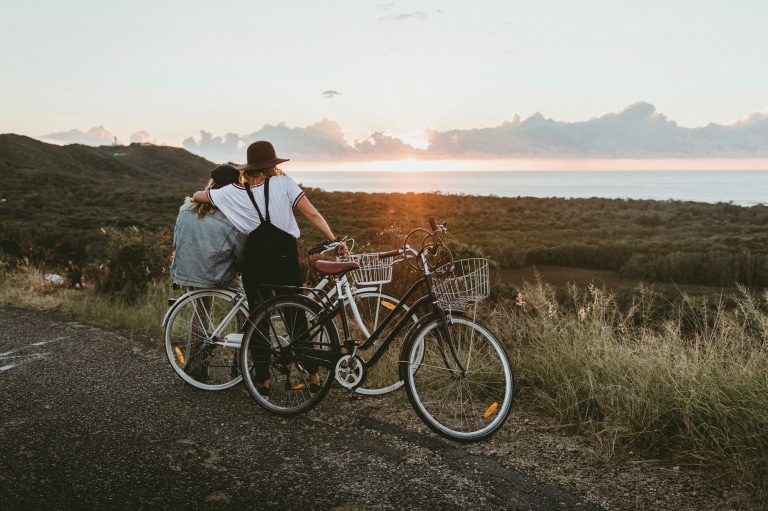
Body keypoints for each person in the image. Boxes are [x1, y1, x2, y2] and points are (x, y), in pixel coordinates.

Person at [191, 141, 345, 394]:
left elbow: (198, 197)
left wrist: (218, 197)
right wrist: (332, 239)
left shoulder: (233, 191)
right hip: (283, 256)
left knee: (258, 318)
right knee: (295, 313)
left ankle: (262, 380)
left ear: (249, 167)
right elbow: (313, 214)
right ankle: (314, 375)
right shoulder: (284, 183)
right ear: (273, 164)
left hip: (255, 258)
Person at [170, 164, 247, 289]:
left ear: (211, 183)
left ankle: (200, 310)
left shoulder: (185, 209)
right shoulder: (232, 217)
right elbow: (241, 255)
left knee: (201, 306)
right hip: (216, 276)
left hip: (184, 273)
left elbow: (176, 242)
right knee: (244, 299)